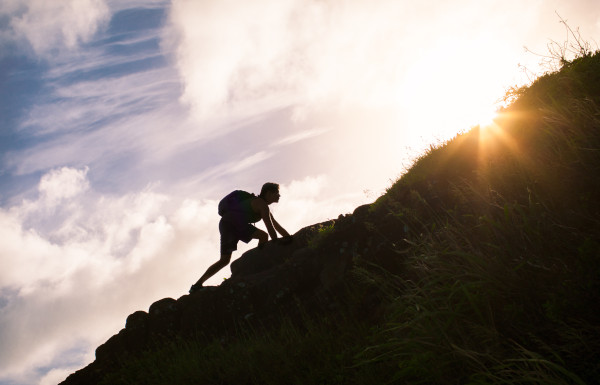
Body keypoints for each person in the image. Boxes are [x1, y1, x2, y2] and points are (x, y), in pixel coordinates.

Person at [189, 182, 291, 292]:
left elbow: (275, 224)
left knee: (224, 260)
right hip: (233, 224)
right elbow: (270, 226)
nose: (279, 196)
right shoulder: (262, 204)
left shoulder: (261, 204)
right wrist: (276, 242)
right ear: (269, 193)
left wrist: (288, 237)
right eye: (277, 193)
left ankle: (196, 286)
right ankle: (258, 266)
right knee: (263, 236)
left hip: (227, 224)